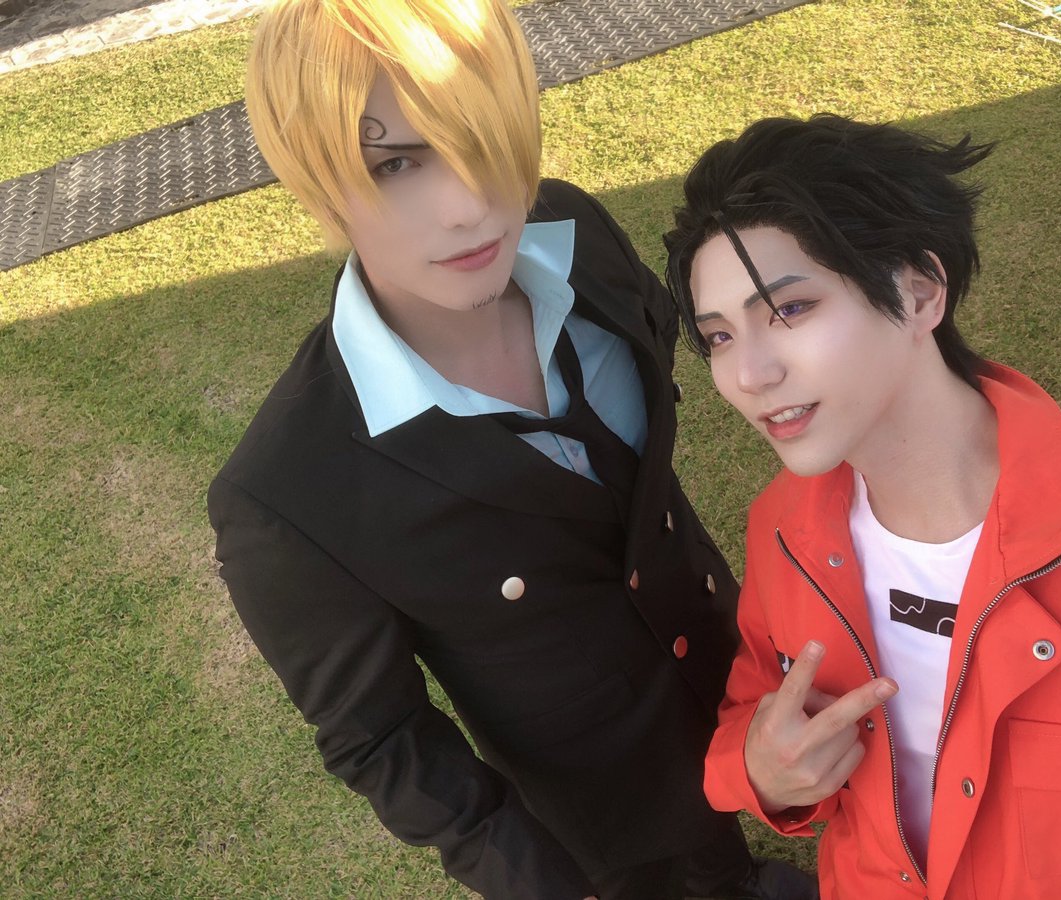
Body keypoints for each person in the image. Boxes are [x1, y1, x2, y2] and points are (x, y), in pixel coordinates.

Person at [207, 2, 817, 898]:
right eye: (394, 163)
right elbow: (382, 741)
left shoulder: (579, 238)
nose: (471, 204)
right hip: (611, 817)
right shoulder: (289, 493)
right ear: (314, 175)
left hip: (744, 671)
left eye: (477, 133)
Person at [663, 114, 1061, 899]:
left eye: (791, 309)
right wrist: (761, 769)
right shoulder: (783, 529)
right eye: (718, 337)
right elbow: (757, 705)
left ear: (920, 291)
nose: (749, 374)